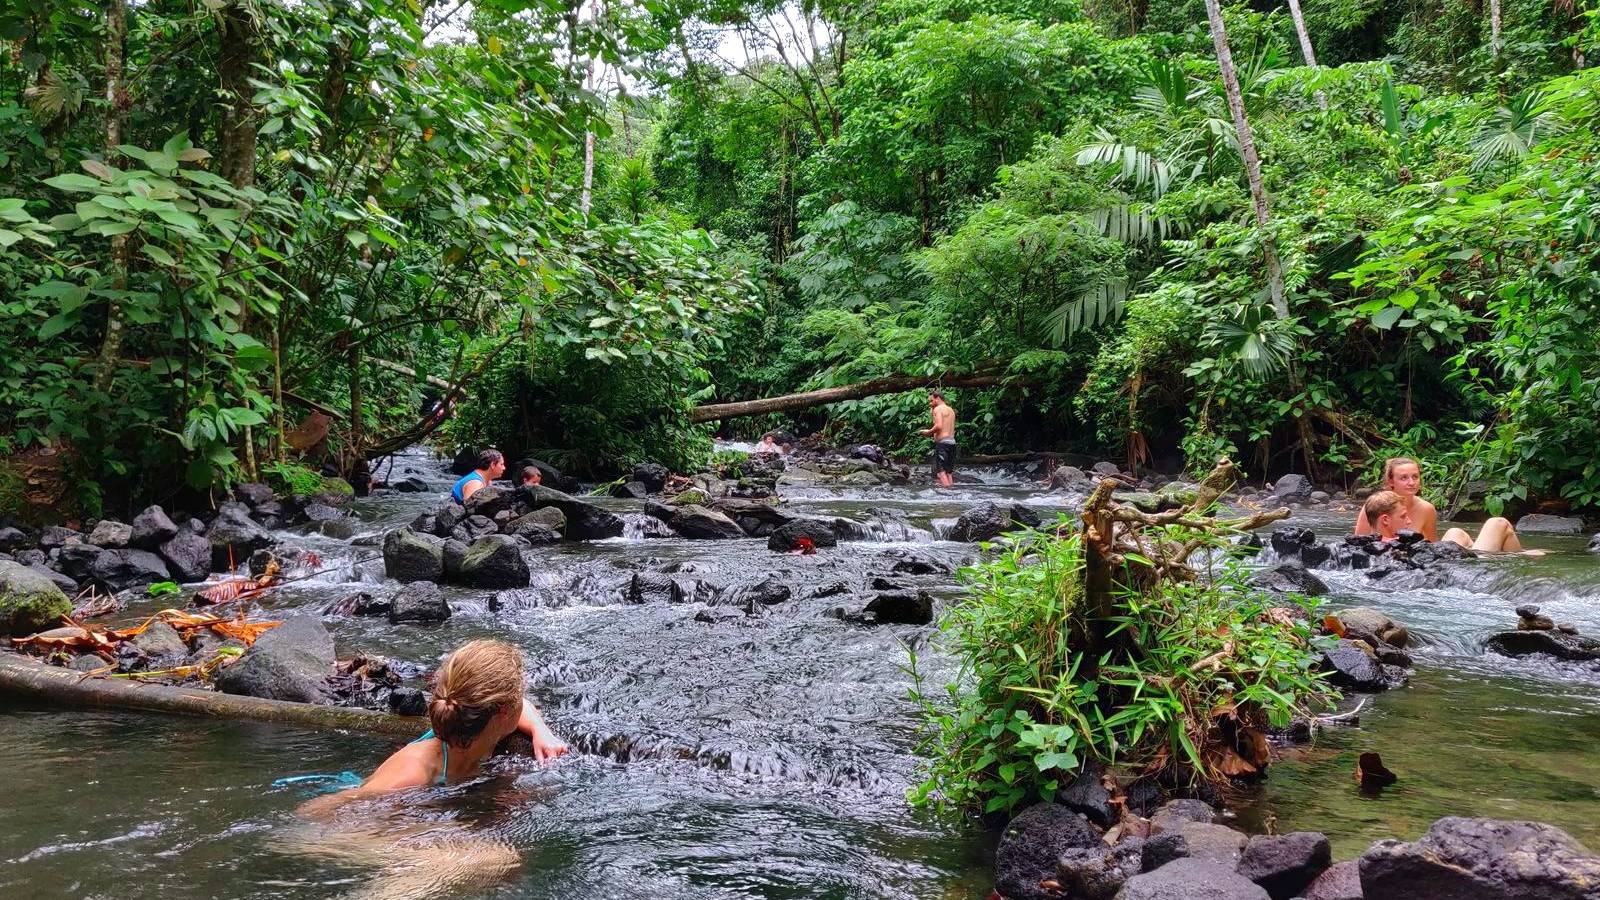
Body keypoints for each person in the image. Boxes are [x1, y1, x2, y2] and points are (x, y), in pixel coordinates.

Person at [307, 640, 567, 808]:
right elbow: (321, 814)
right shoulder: (413, 772)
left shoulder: (479, 723)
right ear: (502, 713)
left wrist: (540, 730)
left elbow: (520, 704)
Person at [1354, 456, 1526, 552]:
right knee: (1501, 525)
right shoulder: (1376, 507)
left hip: (1427, 561)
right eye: (1404, 478)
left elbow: (1430, 547)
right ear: (1391, 481)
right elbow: (1358, 545)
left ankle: (1512, 557)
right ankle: (1517, 557)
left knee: (1455, 531)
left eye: (1415, 477)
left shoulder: (1426, 509)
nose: (1411, 482)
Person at [921, 390, 957, 488]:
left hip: (943, 443)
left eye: (931, 400)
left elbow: (939, 426)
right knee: (948, 472)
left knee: (940, 471)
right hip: (952, 442)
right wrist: (932, 410)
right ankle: (952, 489)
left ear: (937, 398)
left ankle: (948, 492)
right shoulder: (951, 410)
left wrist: (928, 432)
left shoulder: (938, 409)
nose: (930, 403)